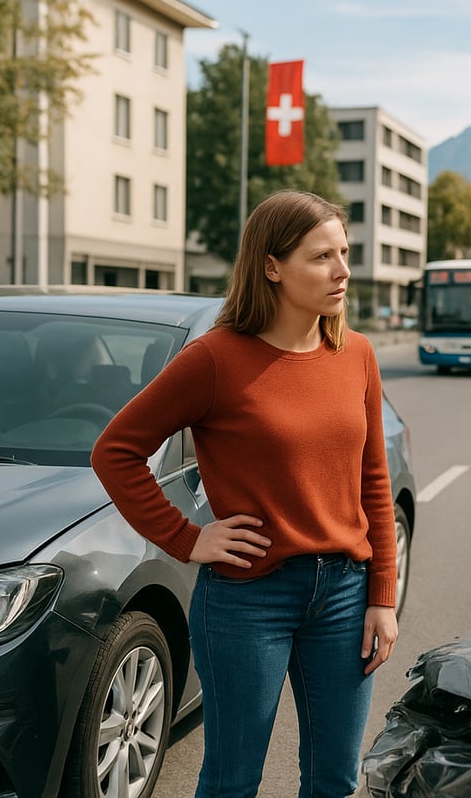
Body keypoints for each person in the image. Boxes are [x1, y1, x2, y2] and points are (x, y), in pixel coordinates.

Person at [91, 190, 398, 797]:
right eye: (321, 257)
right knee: (232, 782)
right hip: (246, 601)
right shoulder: (215, 359)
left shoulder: (356, 354)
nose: (342, 272)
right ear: (272, 265)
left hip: (344, 594)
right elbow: (115, 452)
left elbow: (375, 483)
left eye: (344, 253)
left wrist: (382, 595)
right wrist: (187, 537)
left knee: (335, 780)